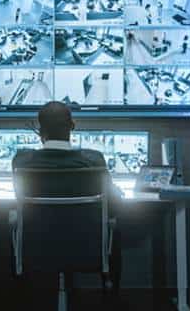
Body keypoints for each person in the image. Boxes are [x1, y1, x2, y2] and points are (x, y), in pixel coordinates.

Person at [11, 101, 122, 290]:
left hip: (37, 250)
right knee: (115, 227)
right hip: (86, 249)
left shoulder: (22, 161)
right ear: (72, 126)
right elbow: (115, 205)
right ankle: (111, 296)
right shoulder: (94, 160)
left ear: (39, 130)